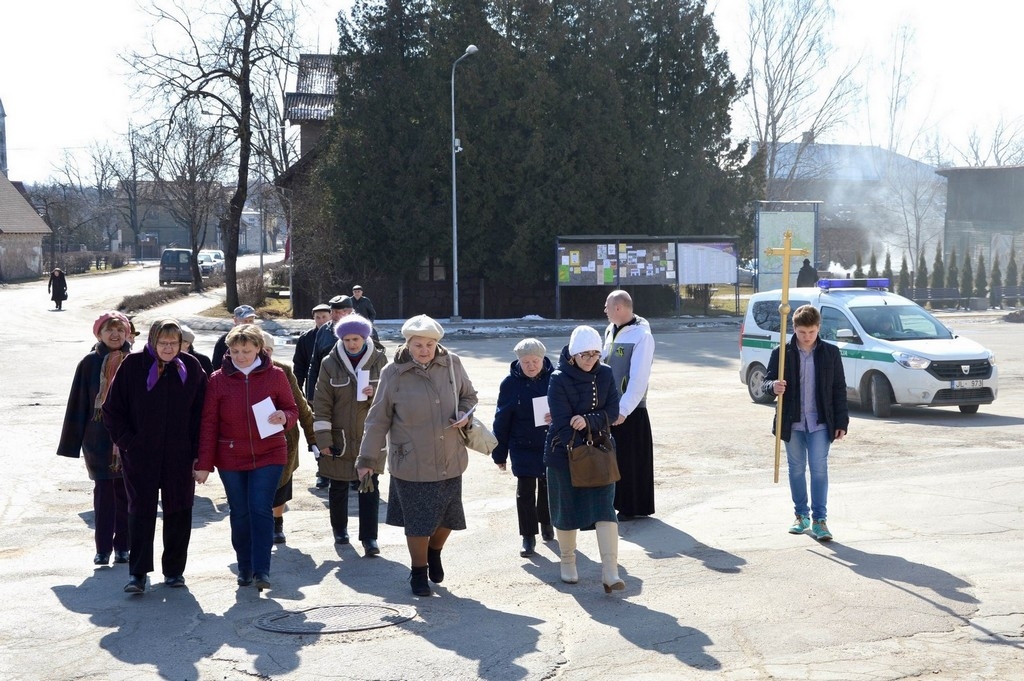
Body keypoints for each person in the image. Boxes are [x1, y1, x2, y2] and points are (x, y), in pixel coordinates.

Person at [356, 315, 478, 596]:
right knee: (418, 522)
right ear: (407, 343)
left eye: (430, 344)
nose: (425, 350)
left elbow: (469, 396)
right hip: (410, 460)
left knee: (449, 518)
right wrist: (367, 460)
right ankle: (418, 571)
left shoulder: (452, 364)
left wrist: (464, 413)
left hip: (449, 457)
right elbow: (377, 420)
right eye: (418, 344)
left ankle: (434, 552)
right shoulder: (393, 372)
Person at [102, 319, 207, 594]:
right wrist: (128, 443)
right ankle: (137, 574)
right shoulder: (133, 366)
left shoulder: (191, 368)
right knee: (140, 512)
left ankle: (174, 571)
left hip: (179, 456)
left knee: (179, 511)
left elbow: (201, 414)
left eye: (174, 343)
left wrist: (198, 453)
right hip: (140, 456)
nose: (169, 349)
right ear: (152, 341)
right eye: (163, 343)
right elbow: (112, 410)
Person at [194, 324, 298, 591]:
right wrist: (204, 464)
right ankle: (245, 566)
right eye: (235, 350)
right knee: (240, 512)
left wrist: (284, 417)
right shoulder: (217, 379)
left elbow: (292, 408)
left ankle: (262, 569)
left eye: (247, 350)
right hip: (231, 456)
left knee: (259, 508)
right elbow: (208, 423)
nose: (241, 356)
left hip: (270, 453)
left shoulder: (275, 375)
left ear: (259, 350)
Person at [545, 325, 624, 593]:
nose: (591, 361)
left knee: (605, 509)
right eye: (585, 355)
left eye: (595, 355)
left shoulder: (606, 374)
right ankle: (567, 561)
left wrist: (589, 420)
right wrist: (582, 439)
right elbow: (562, 421)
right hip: (563, 455)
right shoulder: (558, 378)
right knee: (565, 511)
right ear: (573, 355)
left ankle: (610, 571)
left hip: (600, 452)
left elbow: (613, 410)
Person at [763, 304, 849, 542]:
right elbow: (766, 383)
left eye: (811, 332)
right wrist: (773, 387)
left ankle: (820, 520)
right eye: (802, 333)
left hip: (821, 422)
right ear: (794, 329)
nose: (807, 337)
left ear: (818, 328)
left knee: (819, 469)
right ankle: (801, 516)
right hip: (793, 423)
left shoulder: (830, 353)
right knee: (796, 469)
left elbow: (839, 388)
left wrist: (842, 421)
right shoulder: (782, 353)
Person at [57, 311, 133, 566]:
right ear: (99, 334)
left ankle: (124, 546)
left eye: (120, 330)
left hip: (129, 439)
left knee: (126, 493)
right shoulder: (89, 363)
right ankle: (103, 548)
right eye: (109, 330)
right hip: (98, 439)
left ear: (127, 333)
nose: (115, 335)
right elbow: (77, 404)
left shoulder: (136, 362)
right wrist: (71, 443)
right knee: (104, 493)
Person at [312, 314, 388, 556]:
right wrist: (323, 440)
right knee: (338, 485)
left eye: (356, 339)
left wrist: (373, 393)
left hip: (370, 436)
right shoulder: (329, 363)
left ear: (365, 338)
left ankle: (369, 538)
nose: (352, 344)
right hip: (339, 437)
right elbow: (322, 403)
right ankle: (340, 530)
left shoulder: (381, 361)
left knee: (369, 486)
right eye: (347, 339)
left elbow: (391, 400)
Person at [492, 338, 555, 557]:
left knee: (548, 487)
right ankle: (528, 536)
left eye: (535, 361)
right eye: (526, 361)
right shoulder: (510, 384)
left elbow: (570, 406)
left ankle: (547, 523)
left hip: (550, 443)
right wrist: (499, 453)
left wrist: (557, 415)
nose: (531, 365)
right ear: (519, 361)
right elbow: (502, 420)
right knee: (526, 491)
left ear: (543, 359)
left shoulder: (555, 379)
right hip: (522, 445)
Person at [602, 290, 655, 520]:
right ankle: (618, 502)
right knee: (615, 457)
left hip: (631, 410)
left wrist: (624, 410)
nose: (604, 310)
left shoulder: (642, 336)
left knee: (631, 459)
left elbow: (639, 378)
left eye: (607, 306)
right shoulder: (609, 330)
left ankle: (633, 507)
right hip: (611, 406)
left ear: (618, 308)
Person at [260, 330, 316, 545]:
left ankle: (277, 522)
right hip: (251, 439)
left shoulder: (282, 370)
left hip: (283, 437)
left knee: (281, 483)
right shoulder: (237, 371)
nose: (265, 354)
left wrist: (313, 439)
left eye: (269, 350)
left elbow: (300, 406)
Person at [306, 295, 354, 401]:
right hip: (327, 388)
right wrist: (311, 395)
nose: (333, 315)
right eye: (331, 312)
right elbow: (315, 364)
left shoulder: (364, 330)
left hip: (354, 391)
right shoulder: (324, 331)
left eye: (337, 312)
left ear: (349, 312)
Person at [292, 303, 331, 394]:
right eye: (318, 317)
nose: (321, 320)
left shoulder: (336, 336)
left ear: (330, 316)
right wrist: (298, 389)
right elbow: (299, 365)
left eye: (324, 317)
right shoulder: (305, 338)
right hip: (312, 384)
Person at [211, 305, 257, 371]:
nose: (248, 324)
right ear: (235, 320)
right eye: (245, 321)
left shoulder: (258, 340)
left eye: (251, 321)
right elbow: (216, 366)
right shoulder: (224, 341)